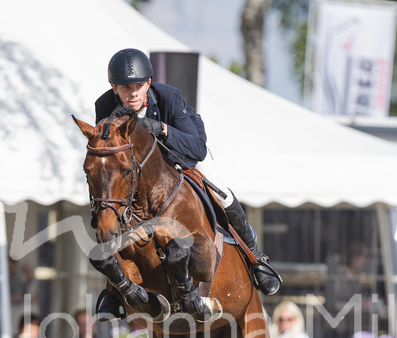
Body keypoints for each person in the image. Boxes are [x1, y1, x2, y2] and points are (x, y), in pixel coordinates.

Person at [92, 48, 281, 319]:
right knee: (113, 207)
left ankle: (256, 259)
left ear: (149, 82)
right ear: (113, 87)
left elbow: (197, 148)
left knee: (222, 192)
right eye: (125, 88)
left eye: (138, 86)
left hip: (183, 156)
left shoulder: (169, 97)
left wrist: (163, 130)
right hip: (143, 173)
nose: (133, 93)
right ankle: (113, 290)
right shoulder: (103, 107)